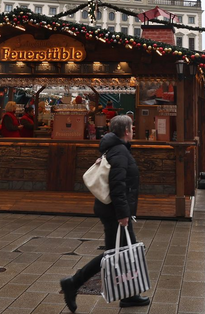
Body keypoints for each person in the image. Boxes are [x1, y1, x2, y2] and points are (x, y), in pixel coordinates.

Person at [60, 115, 150, 311]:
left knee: (124, 251)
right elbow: (118, 186)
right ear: (126, 131)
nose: (133, 130)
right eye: (132, 128)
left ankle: (130, 294)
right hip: (114, 211)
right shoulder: (118, 151)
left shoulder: (116, 149)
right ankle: (73, 283)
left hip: (112, 209)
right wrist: (123, 214)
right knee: (115, 253)